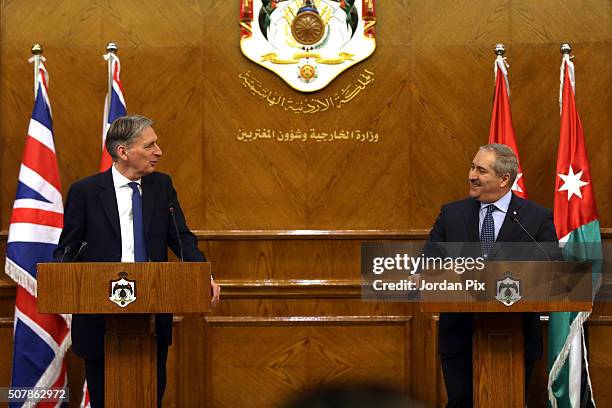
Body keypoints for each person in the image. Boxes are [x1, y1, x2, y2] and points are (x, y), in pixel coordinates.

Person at [54, 114, 220, 407]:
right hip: (99, 320)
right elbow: (68, 248)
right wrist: (62, 279)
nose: (159, 152)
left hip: (153, 317)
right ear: (123, 152)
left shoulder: (162, 187)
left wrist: (202, 274)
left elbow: (180, 237)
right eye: (150, 146)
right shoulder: (86, 192)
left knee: (151, 397)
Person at [424, 143, 560, 407]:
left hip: (516, 338)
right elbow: (428, 263)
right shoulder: (452, 214)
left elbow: (552, 270)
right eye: (472, 167)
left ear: (504, 179)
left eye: (481, 170)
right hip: (460, 336)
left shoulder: (536, 218)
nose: (471, 175)